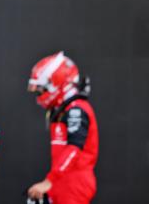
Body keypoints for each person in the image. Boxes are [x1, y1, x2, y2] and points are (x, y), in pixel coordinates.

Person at [27, 52, 98, 204]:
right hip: (60, 181)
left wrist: (48, 182)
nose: (40, 95)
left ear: (57, 83)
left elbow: (74, 148)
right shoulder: (62, 109)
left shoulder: (76, 109)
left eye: (42, 90)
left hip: (74, 184)